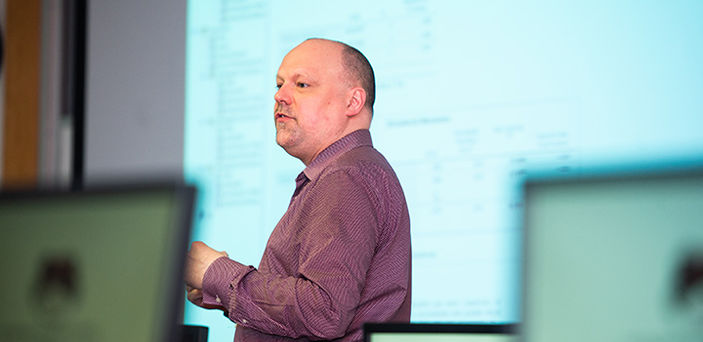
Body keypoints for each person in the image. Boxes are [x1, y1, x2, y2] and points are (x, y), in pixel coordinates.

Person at [183, 38, 411, 341]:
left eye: (302, 85)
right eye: (278, 84)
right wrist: (223, 292)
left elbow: (323, 312)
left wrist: (217, 272)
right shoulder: (348, 172)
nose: (280, 96)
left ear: (352, 102)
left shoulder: (347, 175)